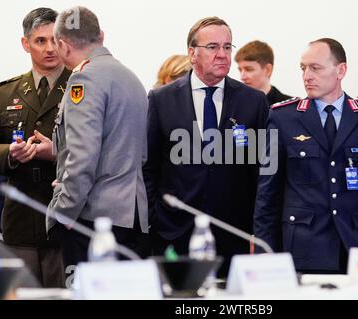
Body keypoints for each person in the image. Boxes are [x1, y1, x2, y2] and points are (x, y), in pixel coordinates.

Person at [254, 38, 358, 273]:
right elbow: (267, 196)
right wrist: (266, 260)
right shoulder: (283, 118)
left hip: (356, 251)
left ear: (341, 70)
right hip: (302, 251)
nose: (307, 76)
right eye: (303, 68)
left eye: (315, 68)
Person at [144, 16, 269, 276]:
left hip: (233, 233)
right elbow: (148, 166)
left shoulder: (253, 102)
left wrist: (256, 227)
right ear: (192, 53)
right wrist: (157, 217)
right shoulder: (161, 99)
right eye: (213, 47)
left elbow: (261, 170)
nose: (222, 55)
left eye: (227, 47)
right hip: (174, 232)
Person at [47, 6, 149, 268]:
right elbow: (142, 153)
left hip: (96, 219)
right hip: (132, 215)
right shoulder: (129, 77)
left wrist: (63, 212)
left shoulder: (84, 79)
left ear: (62, 44)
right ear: (100, 36)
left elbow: (82, 157)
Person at [0, 7, 70, 287]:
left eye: (56, 39)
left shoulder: (82, 87)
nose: (50, 48)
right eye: (41, 41)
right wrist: (10, 155)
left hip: (65, 218)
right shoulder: (6, 93)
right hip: (20, 220)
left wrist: (59, 151)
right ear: (25, 44)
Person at [235, 40, 291, 105]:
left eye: (249, 69)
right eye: (240, 70)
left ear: (268, 70)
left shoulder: (290, 107)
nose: (242, 77)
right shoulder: (235, 104)